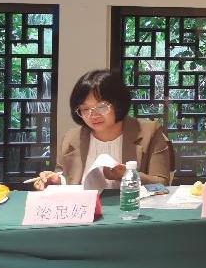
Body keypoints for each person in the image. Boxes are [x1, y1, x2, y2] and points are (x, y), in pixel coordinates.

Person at [33, 70, 173, 189]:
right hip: (86, 210)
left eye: (101, 107)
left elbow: (162, 183)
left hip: (133, 209)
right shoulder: (70, 139)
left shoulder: (149, 132)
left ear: (118, 103)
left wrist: (127, 175)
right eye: (85, 109)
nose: (93, 115)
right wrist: (55, 180)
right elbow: (67, 180)